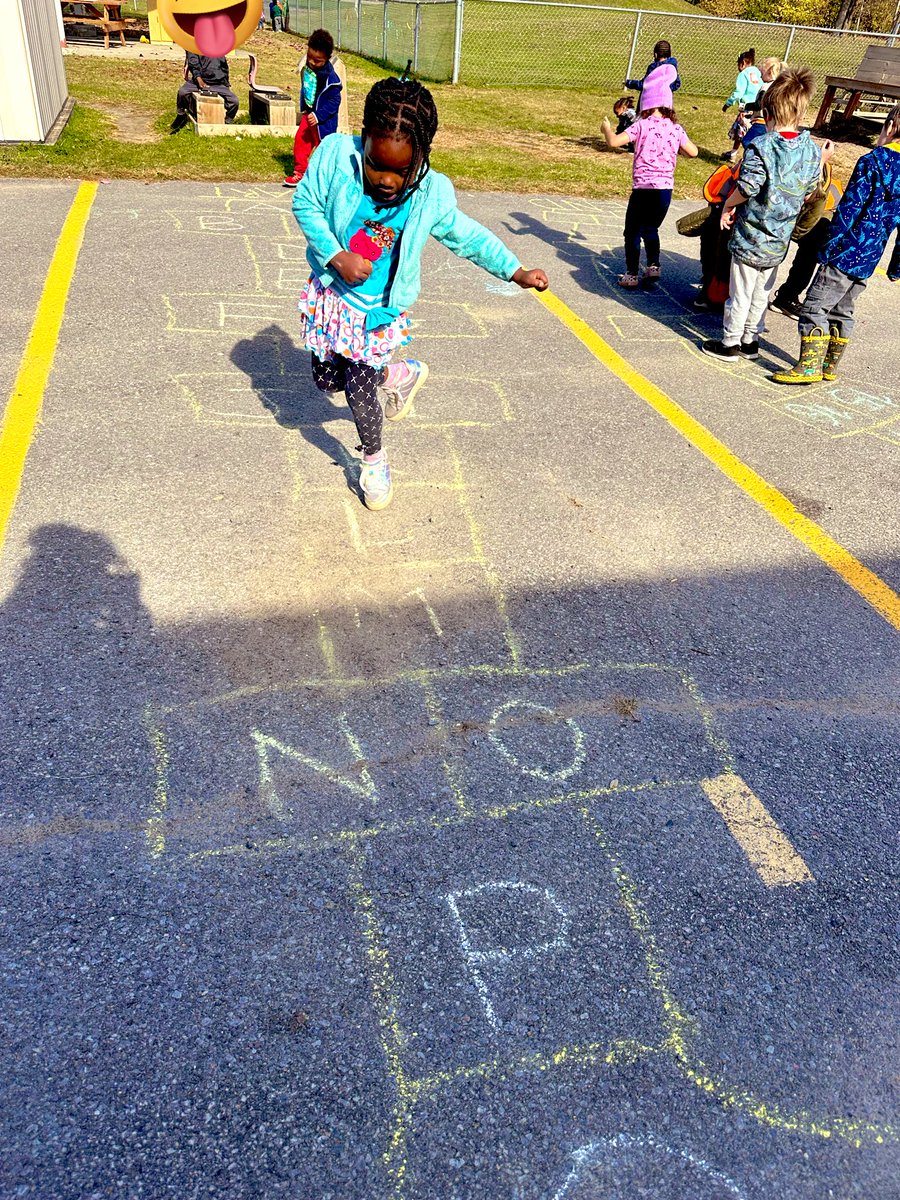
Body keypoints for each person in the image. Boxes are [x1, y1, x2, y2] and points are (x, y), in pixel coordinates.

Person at [292, 76, 549, 511]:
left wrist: (514, 270)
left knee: (357, 386)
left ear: (422, 156)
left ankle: (373, 461)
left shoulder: (430, 193)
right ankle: (400, 376)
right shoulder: (336, 155)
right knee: (326, 380)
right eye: (376, 164)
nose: (387, 179)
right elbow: (306, 203)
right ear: (365, 141)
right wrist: (336, 255)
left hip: (375, 310)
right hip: (333, 296)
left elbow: (467, 236)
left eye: (400, 170)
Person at [773, 104, 900, 384]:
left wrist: (829, 245)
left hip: (845, 250)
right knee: (844, 309)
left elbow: (849, 209)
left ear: (890, 127)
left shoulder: (872, 161)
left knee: (815, 307)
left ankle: (809, 366)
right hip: (870, 257)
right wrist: (896, 266)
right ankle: (829, 365)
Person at [702, 66, 821, 361]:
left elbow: (748, 186)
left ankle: (730, 342)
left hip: (751, 235)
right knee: (761, 293)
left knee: (740, 291)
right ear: (801, 112)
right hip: (779, 238)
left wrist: (729, 204)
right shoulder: (811, 150)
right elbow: (809, 191)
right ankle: (750, 341)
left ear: (767, 113)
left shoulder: (763, 146)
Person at [601, 65, 698, 288]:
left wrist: (606, 128)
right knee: (651, 228)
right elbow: (693, 152)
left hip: (643, 188)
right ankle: (653, 265)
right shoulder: (675, 128)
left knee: (632, 231)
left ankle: (632, 273)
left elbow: (614, 142)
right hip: (664, 190)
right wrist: (676, 150)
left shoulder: (641, 125)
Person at [769, 145, 840, 319]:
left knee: (816, 240)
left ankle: (788, 295)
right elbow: (803, 190)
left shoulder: (824, 168)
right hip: (779, 215)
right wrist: (820, 160)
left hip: (803, 218)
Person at [284, 29, 343, 186]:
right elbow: (307, 89)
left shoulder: (332, 79)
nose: (312, 62)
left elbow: (334, 102)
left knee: (325, 149)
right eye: (310, 57)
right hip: (308, 115)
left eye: (318, 61)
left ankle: (328, 178)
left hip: (323, 122)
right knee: (301, 142)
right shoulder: (309, 69)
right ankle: (300, 172)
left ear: (327, 58)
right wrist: (305, 108)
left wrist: (319, 116)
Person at [173, 52, 239, 130]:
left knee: (234, 101)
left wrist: (226, 84)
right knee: (182, 92)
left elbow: (224, 68)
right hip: (198, 82)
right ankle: (181, 114)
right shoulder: (194, 47)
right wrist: (199, 79)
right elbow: (193, 64)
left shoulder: (218, 49)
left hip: (217, 83)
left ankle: (227, 122)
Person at [722, 49, 763, 161]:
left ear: (743, 63)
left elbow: (738, 92)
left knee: (740, 133)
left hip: (745, 108)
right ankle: (734, 154)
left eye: (738, 64)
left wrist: (728, 103)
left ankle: (738, 156)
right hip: (757, 108)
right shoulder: (758, 72)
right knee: (750, 132)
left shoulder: (743, 74)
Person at [624, 39, 681, 109]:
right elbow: (677, 84)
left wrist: (629, 83)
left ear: (655, 54)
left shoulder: (653, 67)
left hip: (650, 102)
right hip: (666, 102)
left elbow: (644, 84)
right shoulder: (673, 65)